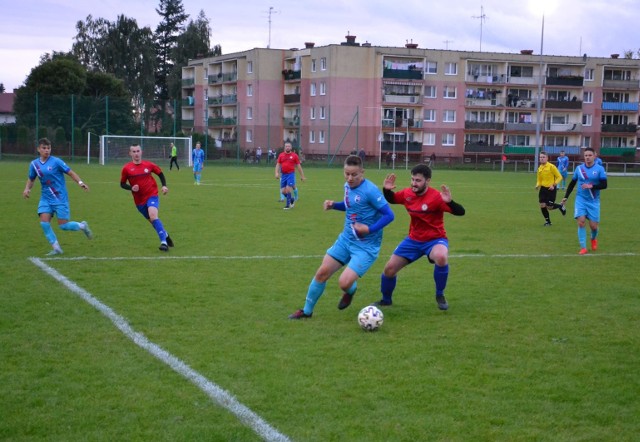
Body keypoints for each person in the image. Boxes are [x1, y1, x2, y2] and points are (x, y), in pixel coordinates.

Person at [289, 155, 395, 319]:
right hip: (346, 240)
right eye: (347, 174)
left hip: (366, 247)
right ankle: (306, 311)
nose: (350, 178)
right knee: (322, 273)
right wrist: (335, 206)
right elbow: (350, 204)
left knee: (344, 283)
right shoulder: (347, 186)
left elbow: (389, 215)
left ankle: (350, 290)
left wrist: (369, 229)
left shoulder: (370, 190)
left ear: (362, 172)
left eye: (354, 175)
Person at [374, 164, 465, 311]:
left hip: (435, 239)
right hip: (413, 240)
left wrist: (450, 202)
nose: (413, 183)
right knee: (389, 269)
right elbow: (392, 199)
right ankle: (386, 300)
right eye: (412, 179)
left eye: (418, 180)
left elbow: (461, 212)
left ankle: (440, 295)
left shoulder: (436, 197)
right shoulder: (407, 194)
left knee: (441, 256)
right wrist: (386, 190)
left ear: (427, 181)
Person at [23, 137, 93, 255]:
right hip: (45, 198)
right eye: (44, 148)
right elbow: (31, 179)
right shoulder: (34, 164)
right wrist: (27, 189)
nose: (47, 150)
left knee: (63, 226)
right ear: (38, 149)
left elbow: (70, 172)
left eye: (48, 148)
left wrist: (81, 183)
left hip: (60, 198)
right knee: (44, 223)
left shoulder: (56, 162)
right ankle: (56, 248)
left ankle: (82, 226)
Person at [120, 144, 174, 252]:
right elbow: (122, 184)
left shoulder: (148, 165)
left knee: (153, 216)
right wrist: (131, 188)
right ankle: (165, 234)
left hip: (152, 195)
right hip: (139, 201)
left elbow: (160, 173)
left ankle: (164, 243)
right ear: (130, 153)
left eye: (138, 151)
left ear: (141, 152)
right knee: (153, 221)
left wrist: (164, 185)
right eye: (134, 151)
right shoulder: (126, 168)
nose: (136, 154)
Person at [561, 147, 607, 255]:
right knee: (581, 222)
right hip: (580, 199)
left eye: (590, 155)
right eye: (586, 155)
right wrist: (566, 196)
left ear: (594, 156)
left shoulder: (600, 169)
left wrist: (591, 186)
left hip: (593, 201)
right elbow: (572, 183)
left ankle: (593, 238)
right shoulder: (579, 169)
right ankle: (583, 247)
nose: (587, 157)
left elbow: (604, 185)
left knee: (593, 226)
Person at [536, 151, 566, 226]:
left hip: (551, 189)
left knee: (549, 207)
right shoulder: (540, 168)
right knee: (542, 205)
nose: (542, 158)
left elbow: (559, 177)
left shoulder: (551, 167)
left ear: (547, 158)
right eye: (540, 157)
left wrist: (554, 185)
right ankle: (548, 222)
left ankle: (560, 206)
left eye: (543, 157)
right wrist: (537, 185)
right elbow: (539, 179)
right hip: (543, 189)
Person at [275, 142, 305, 209]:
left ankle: (288, 205)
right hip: (283, 175)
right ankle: (291, 200)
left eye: (289, 146)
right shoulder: (281, 155)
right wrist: (276, 173)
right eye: (286, 146)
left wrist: (302, 176)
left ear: (291, 147)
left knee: (288, 189)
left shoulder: (294, 156)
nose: (287, 147)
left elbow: (299, 166)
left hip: (291, 174)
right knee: (283, 191)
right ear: (284, 147)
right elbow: (278, 164)